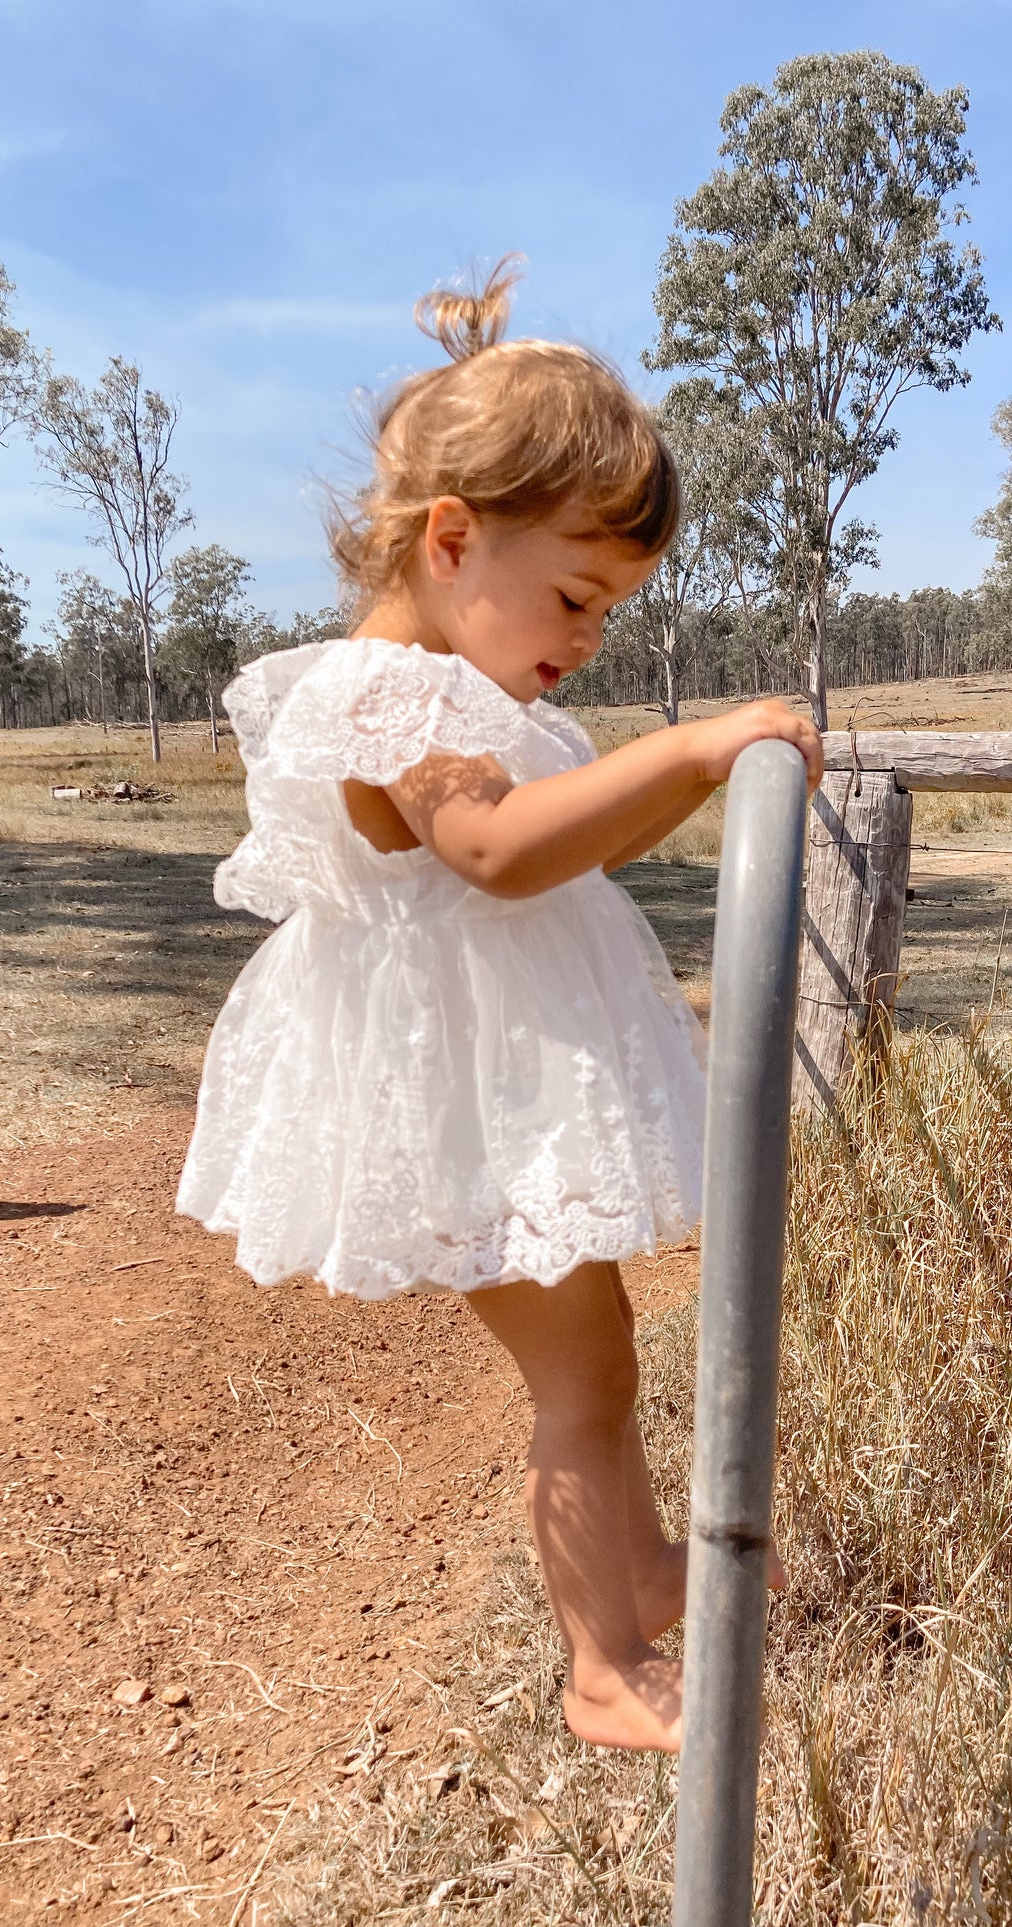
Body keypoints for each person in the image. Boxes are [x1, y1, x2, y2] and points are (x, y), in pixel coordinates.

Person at [177, 260, 822, 1753]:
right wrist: (689, 752)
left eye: (612, 609)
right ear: (453, 539)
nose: (588, 635)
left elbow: (564, 838)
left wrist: (655, 780)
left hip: (489, 1071)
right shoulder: (388, 695)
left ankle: (641, 1574)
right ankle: (600, 1670)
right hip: (455, 1088)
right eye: (577, 595)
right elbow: (497, 854)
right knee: (579, 1372)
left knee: (593, 1347)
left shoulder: (457, 689)